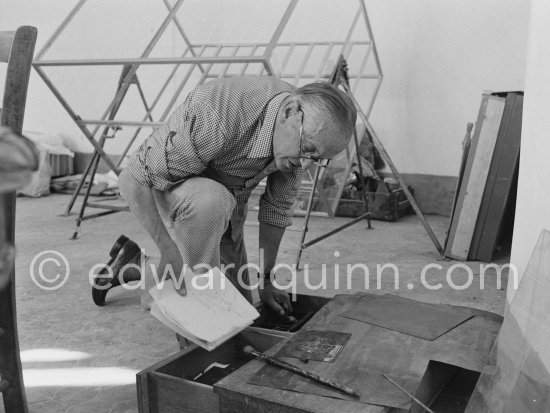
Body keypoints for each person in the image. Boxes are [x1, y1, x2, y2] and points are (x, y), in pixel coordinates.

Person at [91, 75, 356, 316]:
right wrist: (166, 247)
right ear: (290, 112)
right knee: (211, 307)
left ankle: (133, 263)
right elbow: (132, 180)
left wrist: (266, 281)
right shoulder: (218, 114)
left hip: (227, 206)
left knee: (239, 313)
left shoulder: (296, 142)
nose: (306, 164)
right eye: (307, 149)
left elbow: (276, 209)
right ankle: (189, 306)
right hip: (177, 192)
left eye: (317, 159)